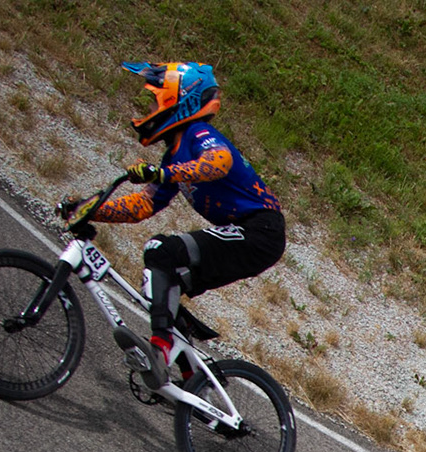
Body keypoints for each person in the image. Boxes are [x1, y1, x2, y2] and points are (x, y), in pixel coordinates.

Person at [58, 62, 284, 389]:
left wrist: (163, 174)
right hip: (247, 233)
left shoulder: (198, 134)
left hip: (260, 231)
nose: (149, 110)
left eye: (155, 102)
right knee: (162, 286)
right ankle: (194, 380)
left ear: (179, 102)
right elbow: (142, 205)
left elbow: (218, 162)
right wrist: (90, 210)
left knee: (160, 250)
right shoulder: (172, 156)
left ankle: (160, 350)